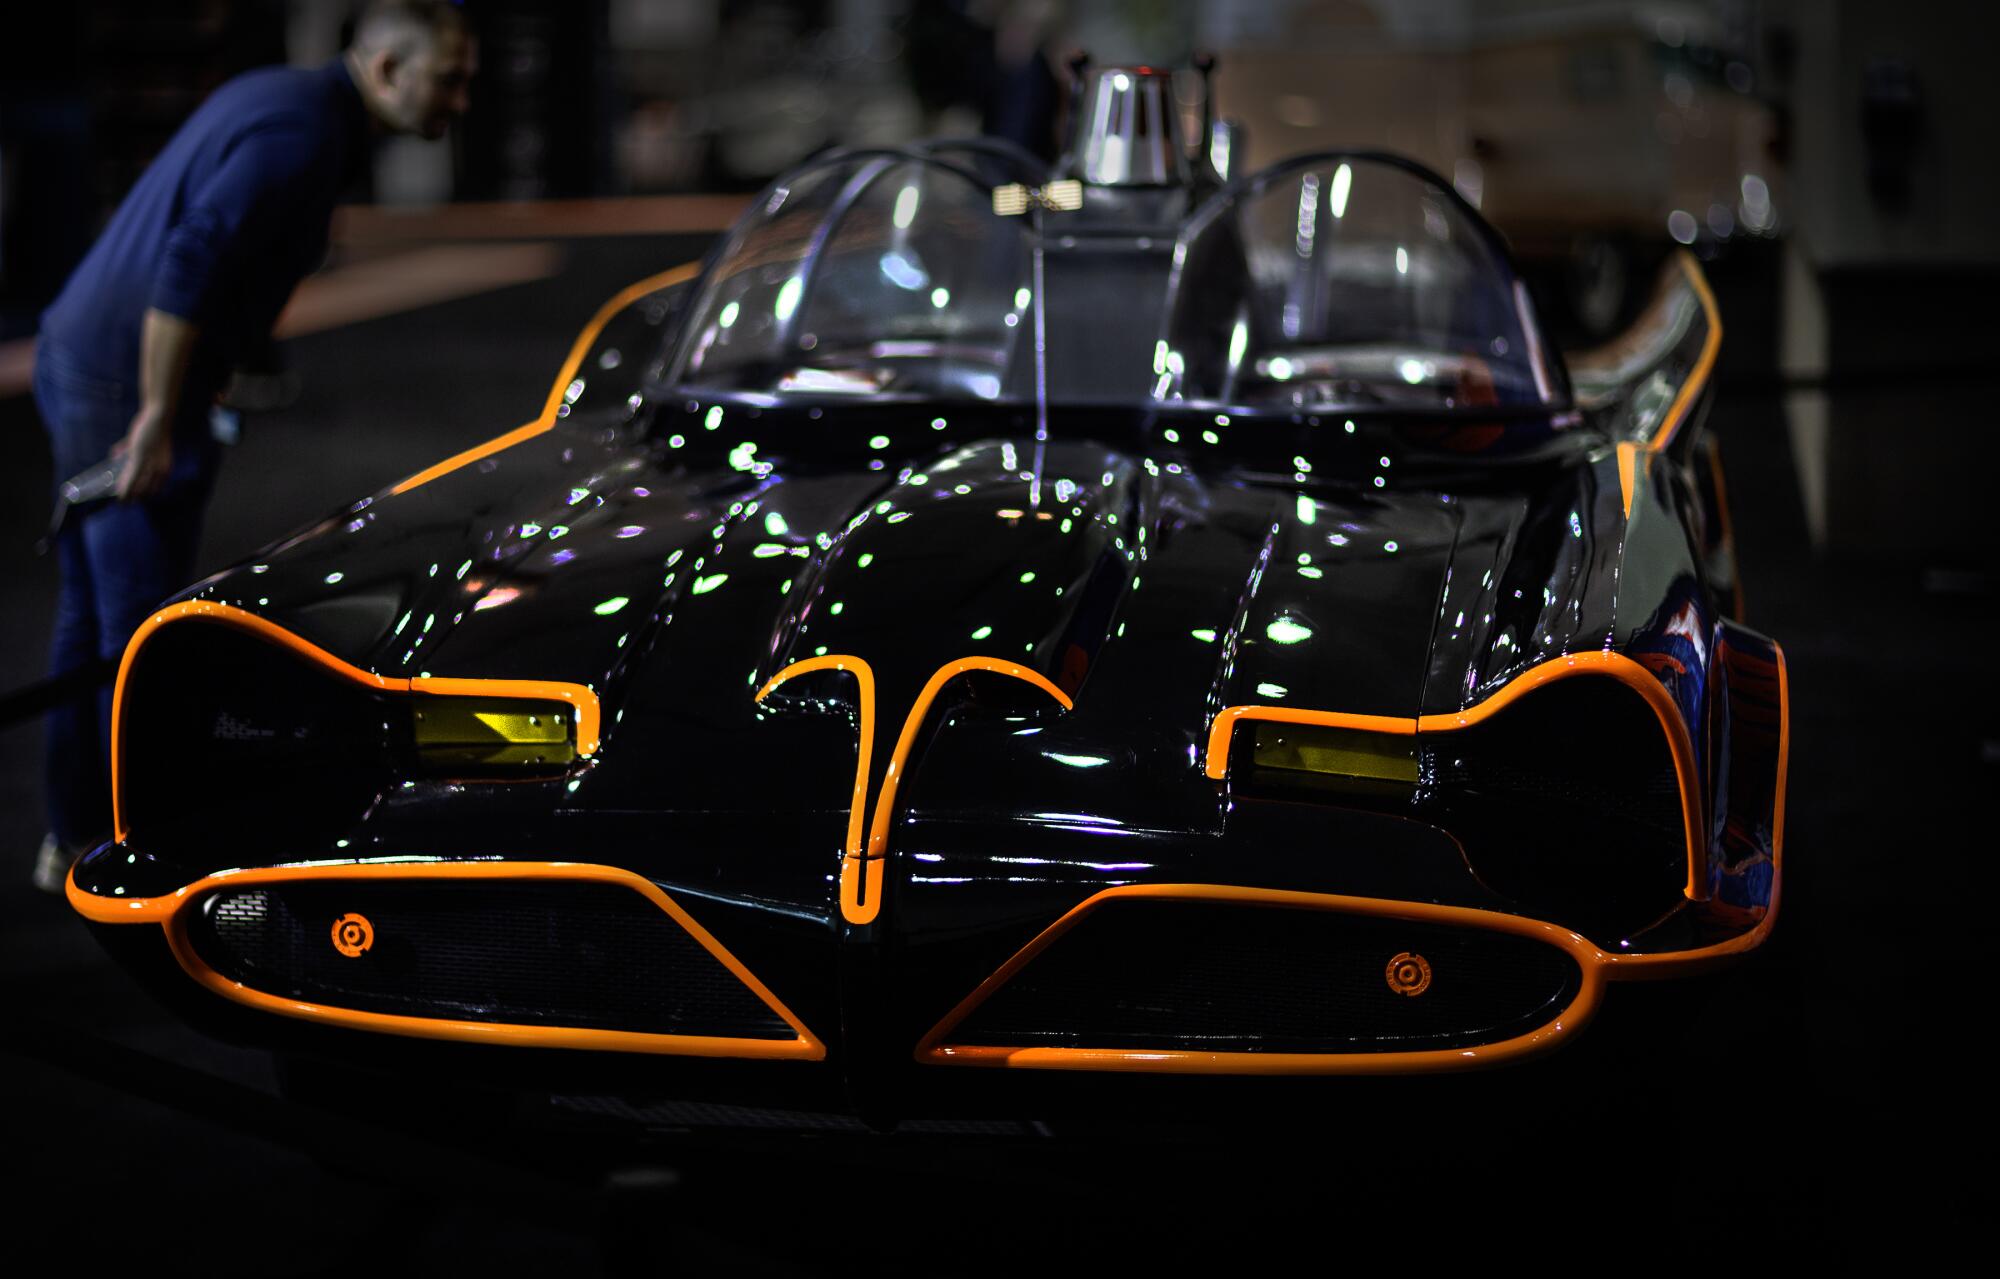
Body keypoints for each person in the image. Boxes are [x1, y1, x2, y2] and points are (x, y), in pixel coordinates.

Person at [30, 1, 477, 890]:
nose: (461, 100)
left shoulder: (305, 108)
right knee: (136, 628)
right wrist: (157, 412)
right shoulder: (301, 134)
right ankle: (144, 856)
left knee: (96, 618)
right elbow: (190, 260)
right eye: (450, 79)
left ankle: (74, 834)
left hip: (106, 359)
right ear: (388, 68)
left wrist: (217, 363)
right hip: (122, 382)